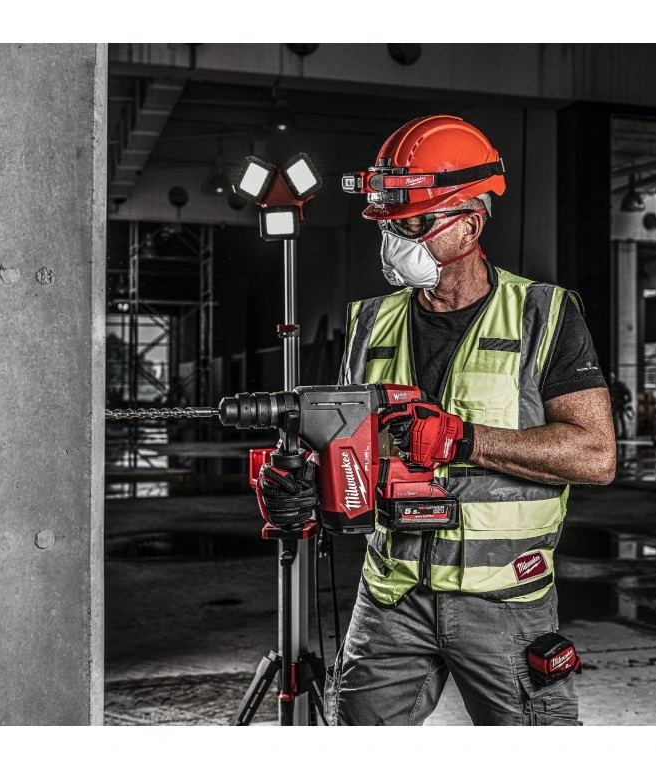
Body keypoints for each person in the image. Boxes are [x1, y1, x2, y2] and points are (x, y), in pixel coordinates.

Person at [257, 115, 615, 726]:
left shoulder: (544, 315)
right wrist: (301, 483)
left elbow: (595, 456)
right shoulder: (370, 322)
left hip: (503, 599)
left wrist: (463, 439)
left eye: (415, 224)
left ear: (471, 223)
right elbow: (343, 450)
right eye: (389, 224)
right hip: (391, 595)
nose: (395, 240)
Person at [608, 371, 634, 439]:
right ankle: (616, 434)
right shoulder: (609, 385)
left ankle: (624, 434)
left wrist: (626, 401)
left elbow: (628, 393)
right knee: (614, 419)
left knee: (621, 418)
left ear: (614, 378)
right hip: (613, 404)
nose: (611, 380)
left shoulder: (620, 385)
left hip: (620, 404)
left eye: (612, 378)